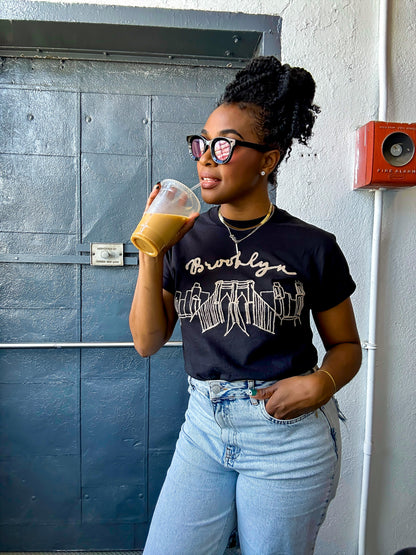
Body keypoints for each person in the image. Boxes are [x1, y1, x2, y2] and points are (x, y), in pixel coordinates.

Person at [129, 56, 362, 555]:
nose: (206, 158)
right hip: (204, 428)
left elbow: (346, 347)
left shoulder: (312, 246)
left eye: (224, 145)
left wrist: (319, 383)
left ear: (268, 159)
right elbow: (147, 342)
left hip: (288, 436)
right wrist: (152, 247)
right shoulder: (183, 238)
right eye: (202, 143)